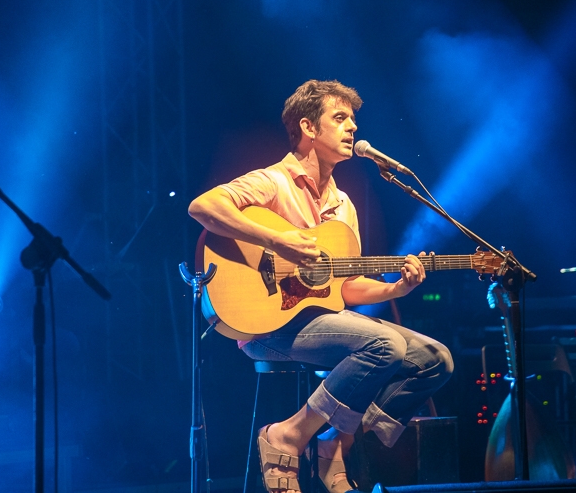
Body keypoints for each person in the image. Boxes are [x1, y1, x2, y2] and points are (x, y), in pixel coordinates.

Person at [188, 80, 453, 493]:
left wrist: (395, 290)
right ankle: (288, 435)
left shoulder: (343, 205)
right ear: (308, 127)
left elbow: (345, 288)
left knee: (436, 360)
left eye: (353, 120)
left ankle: (335, 443)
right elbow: (203, 207)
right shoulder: (273, 181)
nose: (353, 128)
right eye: (340, 118)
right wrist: (277, 240)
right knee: (385, 346)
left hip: (322, 323)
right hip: (266, 328)